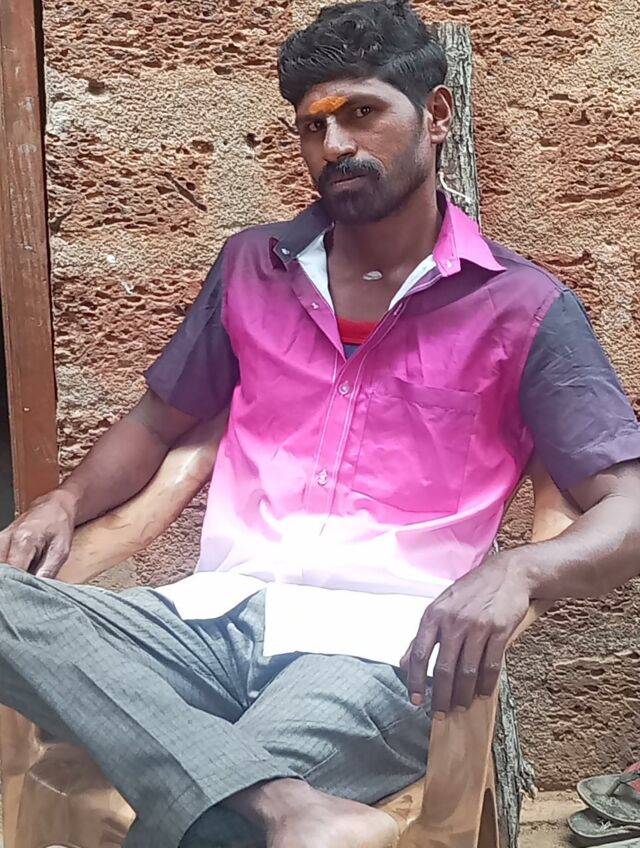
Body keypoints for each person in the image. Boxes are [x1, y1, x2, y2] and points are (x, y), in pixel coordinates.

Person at [1, 2, 640, 847]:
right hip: (207, 624)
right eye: (313, 124)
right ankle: (282, 804)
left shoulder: (522, 308)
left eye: (362, 112)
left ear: (437, 114)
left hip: (381, 649)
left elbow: (630, 508)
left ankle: (239, 798)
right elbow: (157, 422)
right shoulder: (251, 268)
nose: (334, 144)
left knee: (209, 829)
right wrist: (64, 500)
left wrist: (522, 568)